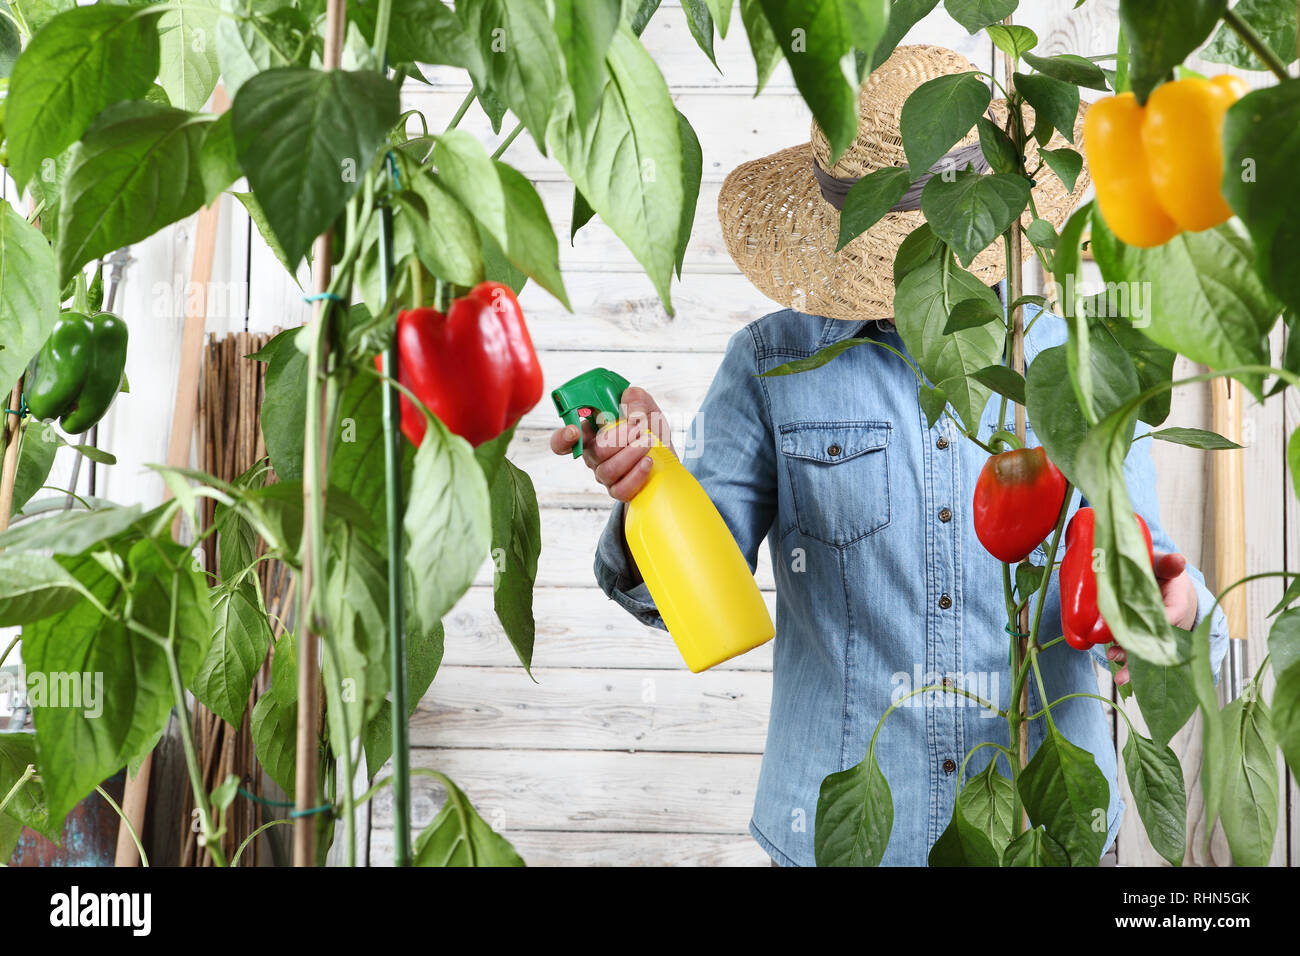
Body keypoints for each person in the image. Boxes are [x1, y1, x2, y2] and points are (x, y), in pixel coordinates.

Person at [548, 46, 1229, 867]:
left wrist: (1171, 611)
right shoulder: (771, 364)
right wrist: (649, 486)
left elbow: (1150, 577)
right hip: (841, 842)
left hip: (1039, 826)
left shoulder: (1076, 366)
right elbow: (691, 596)